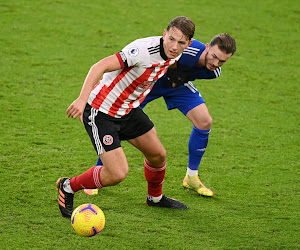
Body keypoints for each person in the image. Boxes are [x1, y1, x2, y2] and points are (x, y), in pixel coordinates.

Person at [57, 16, 195, 218]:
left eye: (181, 42)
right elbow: (99, 66)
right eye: (171, 39)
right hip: (100, 111)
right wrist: (81, 100)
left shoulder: (176, 53)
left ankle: (154, 199)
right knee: (117, 173)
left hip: (128, 110)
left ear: (188, 44)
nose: (174, 46)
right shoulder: (142, 50)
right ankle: (68, 186)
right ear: (164, 34)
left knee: (158, 155)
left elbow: (177, 62)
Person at [92, 33, 236, 197]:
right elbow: (160, 51)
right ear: (207, 47)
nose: (215, 63)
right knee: (122, 120)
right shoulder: (189, 49)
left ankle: (191, 177)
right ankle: (99, 172)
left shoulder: (214, 72)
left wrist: (182, 76)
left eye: (222, 61)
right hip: (152, 82)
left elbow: (187, 74)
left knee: (204, 121)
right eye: (214, 57)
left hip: (175, 86)